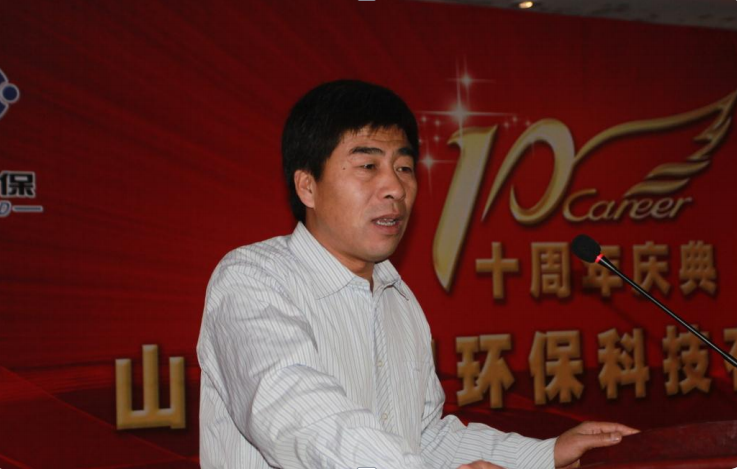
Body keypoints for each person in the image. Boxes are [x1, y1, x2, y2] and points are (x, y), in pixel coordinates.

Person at [197, 80, 637, 469]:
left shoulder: (397, 297)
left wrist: (546, 454)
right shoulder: (252, 280)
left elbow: (423, 439)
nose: (395, 188)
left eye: (404, 168)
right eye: (368, 166)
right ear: (307, 185)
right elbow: (298, 416)